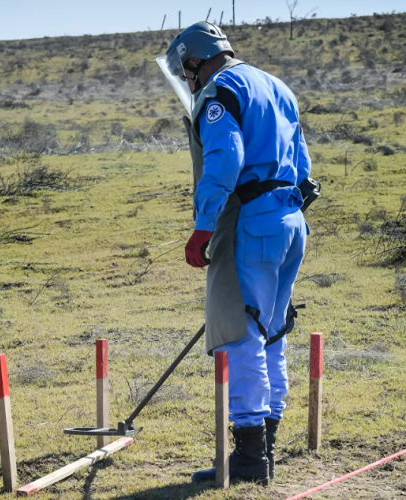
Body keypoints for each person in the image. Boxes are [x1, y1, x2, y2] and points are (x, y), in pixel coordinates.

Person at [157, 21, 315, 486]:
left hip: (254, 223)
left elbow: (225, 158)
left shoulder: (220, 90)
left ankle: (249, 460)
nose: (189, 81)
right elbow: (303, 164)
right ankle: (265, 449)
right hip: (291, 220)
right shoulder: (276, 85)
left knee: (241, 333)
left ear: (193, 61)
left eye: (187, 71)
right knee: (272, 331)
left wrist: (203, 226)